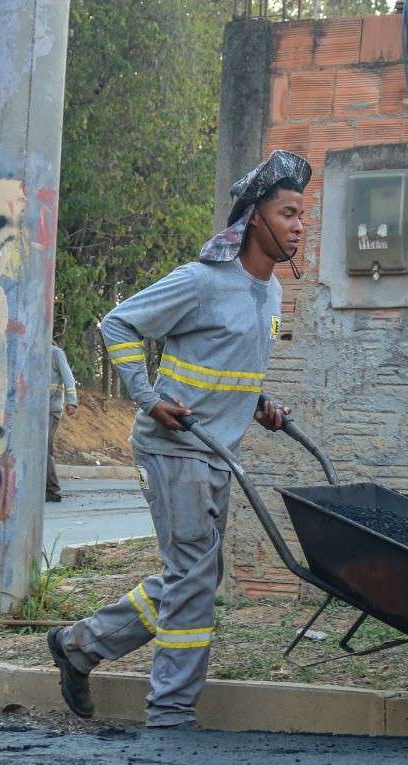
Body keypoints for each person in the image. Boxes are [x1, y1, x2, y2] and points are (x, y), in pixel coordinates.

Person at [47, 150, 310, 730]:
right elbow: (118, 323)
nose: (298, 226)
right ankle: (170, 713)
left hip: (220, 451)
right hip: (174, 447)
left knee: (194, 576)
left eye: (301, 215)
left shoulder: (271, 294)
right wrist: (146, 395)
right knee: (193, 577)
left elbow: (230, 368)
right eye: (288, 213)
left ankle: (80, 646)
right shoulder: (200, 282)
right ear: (255, 218)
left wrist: (259, 404)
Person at [46, 344, 77, 503]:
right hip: (32, 412)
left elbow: (68, 377)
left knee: (44, 448)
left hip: (51, 409)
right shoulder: (28, 349)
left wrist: (72, 401)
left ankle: (52, 491)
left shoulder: (55, 353)